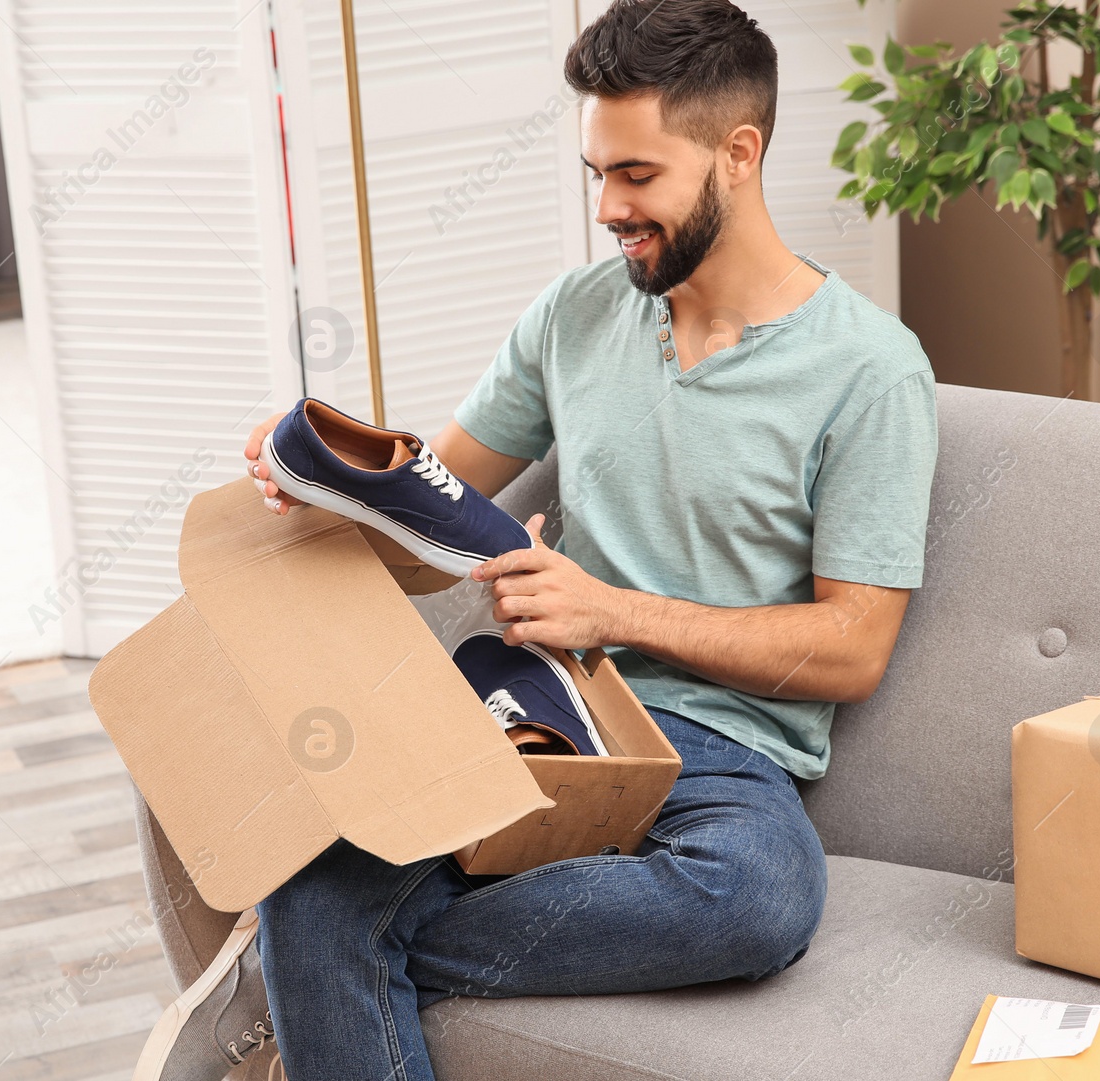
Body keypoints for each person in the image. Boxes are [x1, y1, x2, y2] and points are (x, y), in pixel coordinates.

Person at [159, 1, 938, 1077]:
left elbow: (854, 646)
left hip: (715, 757)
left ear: (737, 154)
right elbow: (416, 525)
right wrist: (320, 491)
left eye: (638, 176)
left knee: (762, 895)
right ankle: (324, 936)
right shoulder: (573, 316)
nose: (611, 209)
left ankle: (322, 954)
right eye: (598, 175)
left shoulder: (869, 371)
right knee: (324, 872)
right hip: (528, 714)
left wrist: (608, 609)